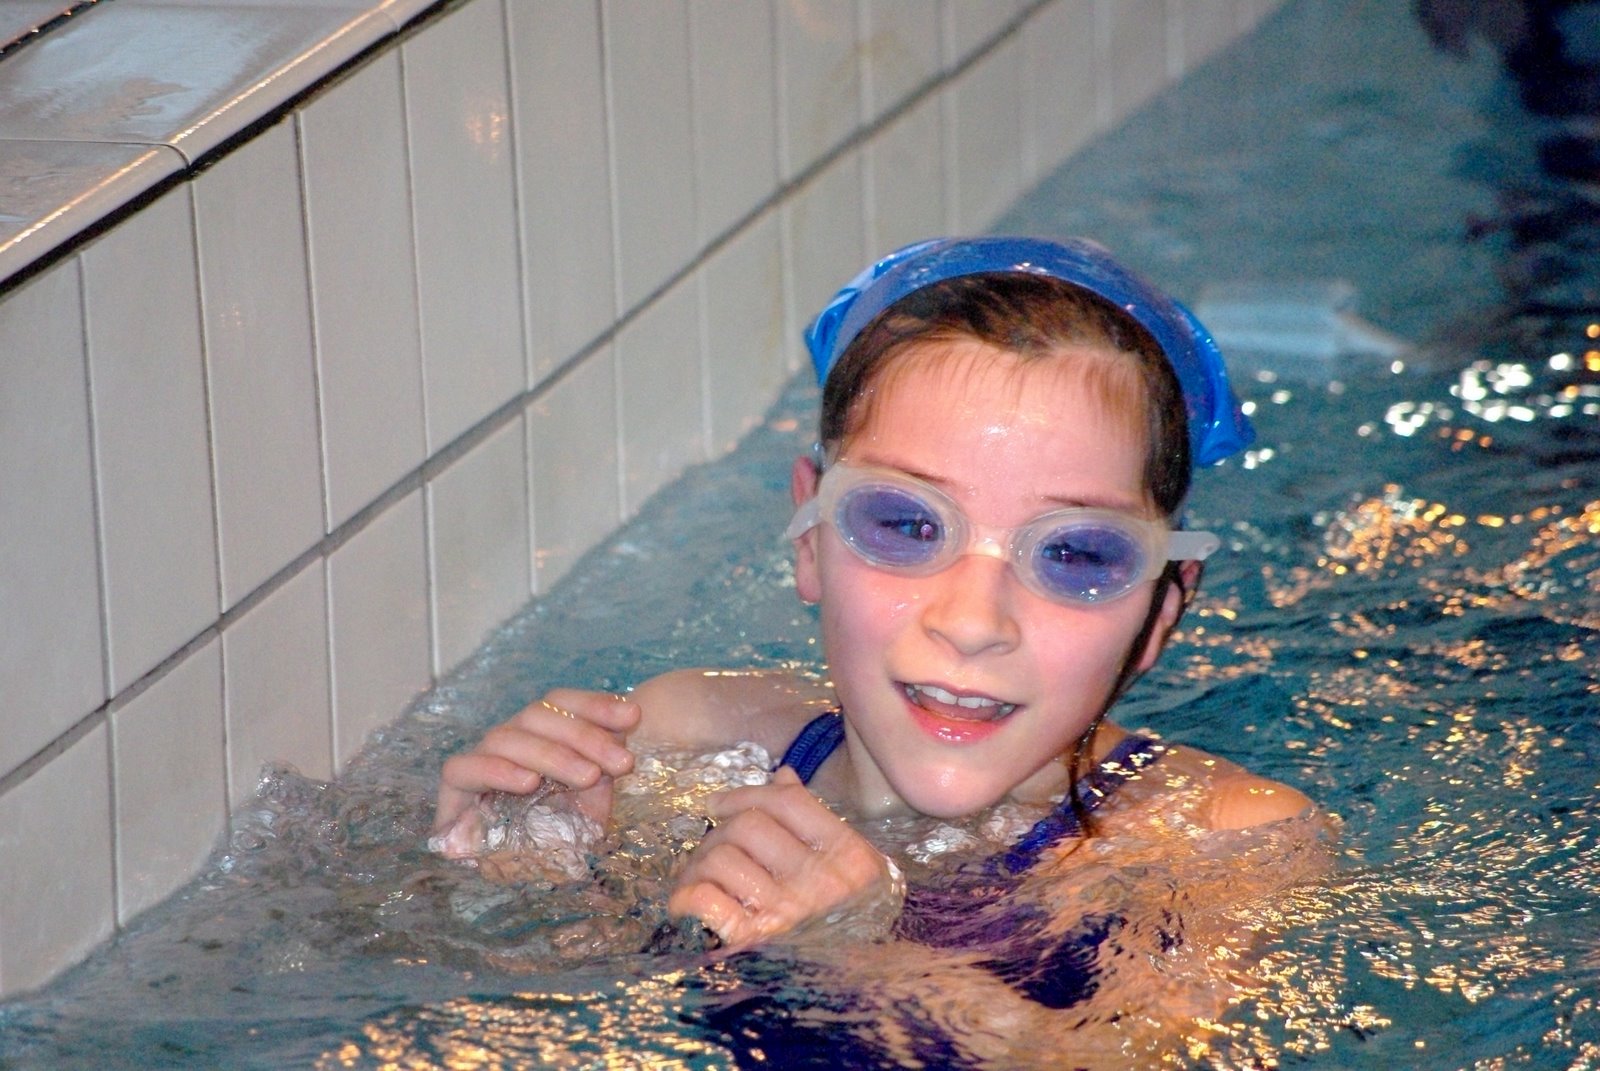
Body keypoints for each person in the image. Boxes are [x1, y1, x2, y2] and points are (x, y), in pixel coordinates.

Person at [433, 236, 1314, 974]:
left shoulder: (1227, 844)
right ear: (811, 537)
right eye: (906, 524)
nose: (972, 621)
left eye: (1075, 553)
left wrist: (866, 952)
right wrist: (521, 884)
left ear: (1161, 610)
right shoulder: (682, 741)